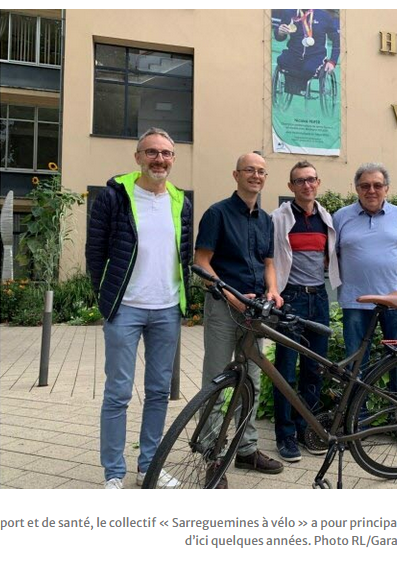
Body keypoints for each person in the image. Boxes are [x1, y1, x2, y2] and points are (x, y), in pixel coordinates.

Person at [85, 127, 192, 489]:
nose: (159, 159)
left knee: (159, 392)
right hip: (125, 308)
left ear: (173, 159)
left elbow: (185, 253)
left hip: (166, 309)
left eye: (166, 153)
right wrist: (105, 297)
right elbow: (95, 252)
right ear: (137, 157)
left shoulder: (180, 200)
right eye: (151, 152)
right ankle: (113, 473)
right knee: (118, 392)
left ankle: (150, 465)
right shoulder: (115, 195)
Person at [194, 152, 286, 488]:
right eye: (250, 170)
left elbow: (269, 263)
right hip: (223, 306)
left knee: (251, 382)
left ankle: (246, 450)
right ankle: (211, 454)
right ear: (236, 175)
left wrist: (273, 291)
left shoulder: (266, 220)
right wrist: (234, 298)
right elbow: (203, 263)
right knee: (217, 383)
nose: (256, 176)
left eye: (261, 171)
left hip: (255, 310)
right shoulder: (217, 213)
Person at [332, 162, 397, 452]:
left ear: (387, 188)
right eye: (365, 185)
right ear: (356, 188)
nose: (371, 190)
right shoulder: (341, 217)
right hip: (356, 303)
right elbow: (332, 257)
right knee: (357, 364)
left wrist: (390, 284)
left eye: (377, 185)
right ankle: (361, 422)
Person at [270, 161, 340, 462]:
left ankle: (305, 428)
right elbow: (270, 258)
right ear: (291, 187)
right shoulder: (279, 218)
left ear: (318, 182)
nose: (306, 185)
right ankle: (284, 436)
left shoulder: (326, 218)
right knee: (285, 369)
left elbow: (330, 256)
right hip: (292, 299)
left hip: (319, 299)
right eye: (299, 181)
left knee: (314, 368)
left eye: (311, 179)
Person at [273, 9, 340, 95]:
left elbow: (337, 39)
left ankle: (300, 88)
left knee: (308, 68)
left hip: (315, 56)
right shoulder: (289, 13)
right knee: (282, 60)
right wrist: (280, 32)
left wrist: (333, 61)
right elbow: (279, 38)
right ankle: (292, 88)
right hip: (294, 54)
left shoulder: (324, 16)